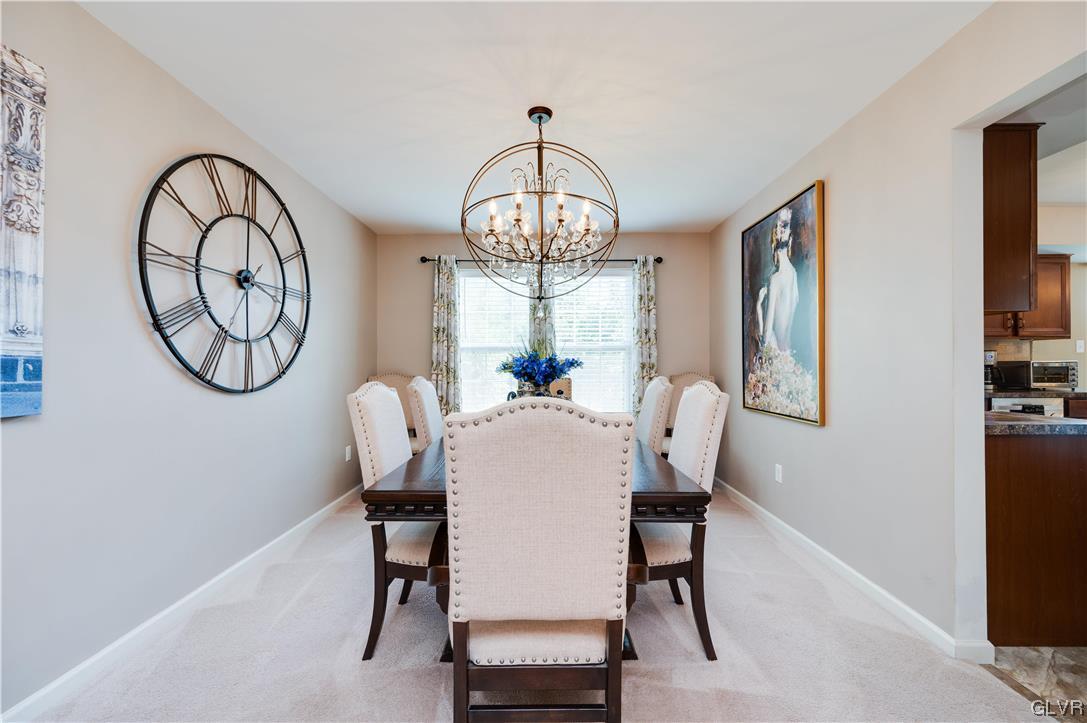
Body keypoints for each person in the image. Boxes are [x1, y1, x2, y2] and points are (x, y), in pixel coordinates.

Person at [755, 208, 799, 354]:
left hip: (778, 356)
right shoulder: (793, 273)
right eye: (778, 226)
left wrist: (758, 307)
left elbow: (766, 337)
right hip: (788, 354)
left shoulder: (776, 279)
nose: (780, 229)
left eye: (784, 225)